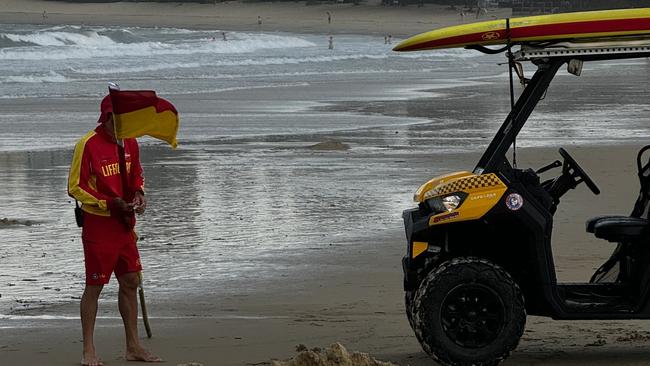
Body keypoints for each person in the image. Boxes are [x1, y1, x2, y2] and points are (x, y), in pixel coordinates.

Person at [68, 95, 162, 366]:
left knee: (131, 280)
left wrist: (139, 194)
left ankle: (133, 347)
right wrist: (108, 202)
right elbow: (74, 187)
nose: (120, 123)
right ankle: (89, 350)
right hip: (99, 225)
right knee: (95, 285)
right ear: (105, 117)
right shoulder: (88, 144)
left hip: (124, 225)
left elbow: (136, 175)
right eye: (115, 118)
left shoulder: (130, 141)